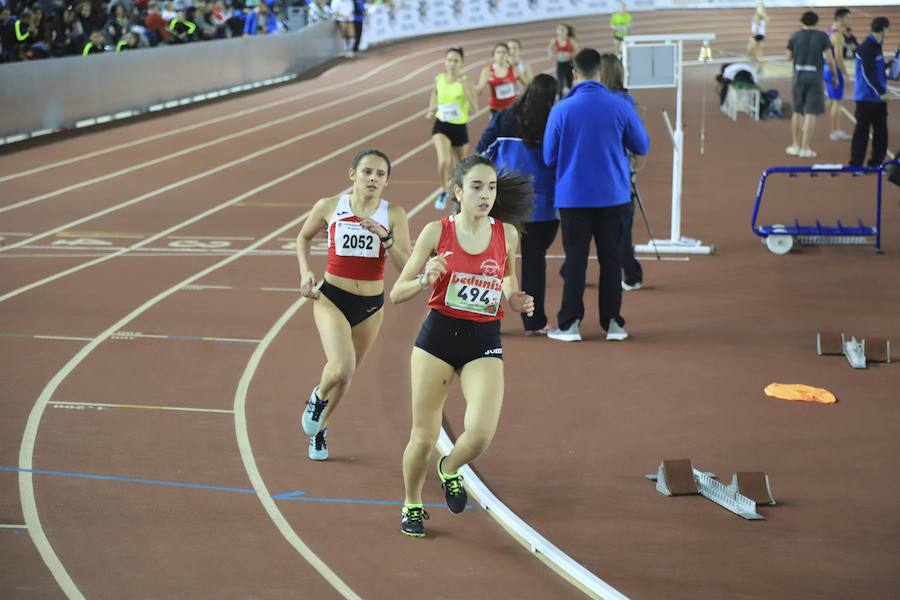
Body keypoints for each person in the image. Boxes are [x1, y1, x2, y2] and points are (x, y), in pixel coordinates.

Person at [389, 155, 535, 538]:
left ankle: (450, 468)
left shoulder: (508, 234)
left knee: (481, 434)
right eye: (476, 187)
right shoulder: (436, 233)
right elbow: (397, 292)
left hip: (483, 338)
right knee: (423, 437)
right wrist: (424, 279)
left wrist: (514, 299)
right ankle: (412, 504)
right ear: (457, 191)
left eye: (491, 187)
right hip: (437, 338)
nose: (486, 194)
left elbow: (508, 275)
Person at [296, 149, 411, 460]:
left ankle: (320, 429)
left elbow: (407, 267)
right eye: (367, 172)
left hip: (371, 305)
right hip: (331, 297)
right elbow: (303, 238)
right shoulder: (330, 206)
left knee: (347, 376)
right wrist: (306, 271)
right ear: (353, 175)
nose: (373, 178)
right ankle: (317, 398)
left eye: (380, 174)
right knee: (340, 366)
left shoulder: (394, 214)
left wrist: (386, 239)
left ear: (387, 181)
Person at [543, 48, 649, 343]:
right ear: (601, 72)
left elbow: (549, 156)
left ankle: (569, 324)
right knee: (612, 260)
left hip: (574, 197)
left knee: (576, 260)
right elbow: (641, 144)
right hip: (614, 196)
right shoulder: (619, 106)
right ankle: (613, 323)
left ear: (574, 74)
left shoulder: (561, 109)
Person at [477, 74, 558, 334]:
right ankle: (534, 321)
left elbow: (482, 150)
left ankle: (486, 317)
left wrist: (494, 177)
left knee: (495, 260)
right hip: (542, 203)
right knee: (535, 262)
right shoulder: (554, 122)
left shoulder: (504, 118)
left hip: (507, 200)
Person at [598, 52, 644, 292]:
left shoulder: (603, 99)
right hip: (619, 172)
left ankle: (631, 270)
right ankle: (631, 272)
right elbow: (638, 140)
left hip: (602, 172)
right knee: (621, 224)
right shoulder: (625, 100)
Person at [427, 47, 477, 211]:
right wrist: (432, 108)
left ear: (462, 63)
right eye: (449, 60)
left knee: (460, 168)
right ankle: (443, 190)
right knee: (444, 161)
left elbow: (474, 108)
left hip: (459, 127)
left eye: (456, 60)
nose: (452, 64)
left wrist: (464, 88)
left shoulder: (466, 81)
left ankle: (460, 195)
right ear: (445, 62)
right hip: (441, 125)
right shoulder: (439, 78)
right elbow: (435, 94)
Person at [785, 11, 838, 159]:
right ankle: (805, 148)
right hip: (815, 78)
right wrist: (834, 76)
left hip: (798, 77)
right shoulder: (823, 36)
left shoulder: (795, 36)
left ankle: (795, 145)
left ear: (802, 21)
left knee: (797, 111)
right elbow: (830, 59)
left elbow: (788, 57)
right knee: (810, 113)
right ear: (817, 22)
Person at [849, 17, 892, 167]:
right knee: (862, 133)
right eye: (888, 28)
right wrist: (881, 91)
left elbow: (877, 69)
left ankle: (876, 164)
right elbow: (868, 73)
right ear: (884, 29)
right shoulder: (868, 46)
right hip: (866, 99)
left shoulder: (877, 45)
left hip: (878, 100)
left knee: (881, 134)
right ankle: (855, 165)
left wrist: (891, 64)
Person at [824, 8, 852, 141]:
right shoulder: (838, 35)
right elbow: (839, 58)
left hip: (826, 68)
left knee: (831, 99)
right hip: (834, 70)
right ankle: (834, 131)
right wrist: (846, 74)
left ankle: (811, 114)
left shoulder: (829, 31)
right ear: (840, 18)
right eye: (848, 18)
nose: (849, 21)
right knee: (837, 102)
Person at [476, 42, 521, 117]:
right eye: (498, 52)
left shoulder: (513, 69)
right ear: (494, 55)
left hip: (512, 109)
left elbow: (527, 84)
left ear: (507, 55)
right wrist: (469, 87)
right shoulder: (487, 70)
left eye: (504, 52)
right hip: (495, 110)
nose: (501, 55)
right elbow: (480, 89)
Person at [548, 23, 576, 99]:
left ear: (567, 31)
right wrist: (554, 55)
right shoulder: (554, 41)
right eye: (560, 29)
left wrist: (570, 55)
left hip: (569, 64)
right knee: (560, 82)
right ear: (557, 31)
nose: (561, 31)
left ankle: (571, 98)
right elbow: (549, 51)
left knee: (569, 82)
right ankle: (560, 99)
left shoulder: (570, 40)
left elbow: (576, 51)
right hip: (560, 64)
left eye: (563, 29)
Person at [747, 2, 767, 66]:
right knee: (753, 50)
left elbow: (757, 26)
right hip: (761, 34)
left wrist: (753, 35)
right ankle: (757, 61)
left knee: (756, 50)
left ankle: (758, 62)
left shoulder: (760, 16)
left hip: (757, 34)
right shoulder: (762, 16)